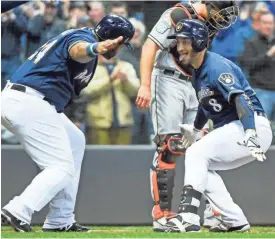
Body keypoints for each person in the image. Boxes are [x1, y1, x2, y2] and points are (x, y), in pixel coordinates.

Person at [1, 14, 135, 233]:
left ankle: (60, 219)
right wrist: (95, 48)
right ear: (114, 39)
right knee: (61, 167)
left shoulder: (83, 37)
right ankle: (18, 209)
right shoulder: (82, 38)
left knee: (75, 140)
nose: (119, 49)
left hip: (34, 101)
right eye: (121, 44)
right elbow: (78, 50)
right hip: (29, 100)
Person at [135, 0, 239, 231]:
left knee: (203, 147)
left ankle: (214, 213)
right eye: (220, 13)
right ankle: (162, 214)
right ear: (207, 4)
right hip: (168, 78)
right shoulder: (179, 13)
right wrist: (144, 85)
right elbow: (149, 46)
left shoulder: (209, 22)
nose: (222, 19)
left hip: (195, 82)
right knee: (169, 145)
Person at [160, 19, 272, 233]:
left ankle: (188, 216)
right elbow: (205, 106)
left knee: (195, 154)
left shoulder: (216, 67)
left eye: (184, 41)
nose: (179, 47)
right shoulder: (198, 72)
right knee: (202, 166)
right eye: (179, 41)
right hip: (237, 127)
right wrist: (195, 129)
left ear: (199, 41)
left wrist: (250, 131)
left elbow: (241, 99)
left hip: (248, 124)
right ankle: (233, 219)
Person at [239, 12, 275, 121]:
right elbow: (247, 63)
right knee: (261, 127)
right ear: (258, 24)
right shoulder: (251, 43)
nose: (268, 26)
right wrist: (269, 54)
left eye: (271, 23)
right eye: (265, 23)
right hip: (261, 91)